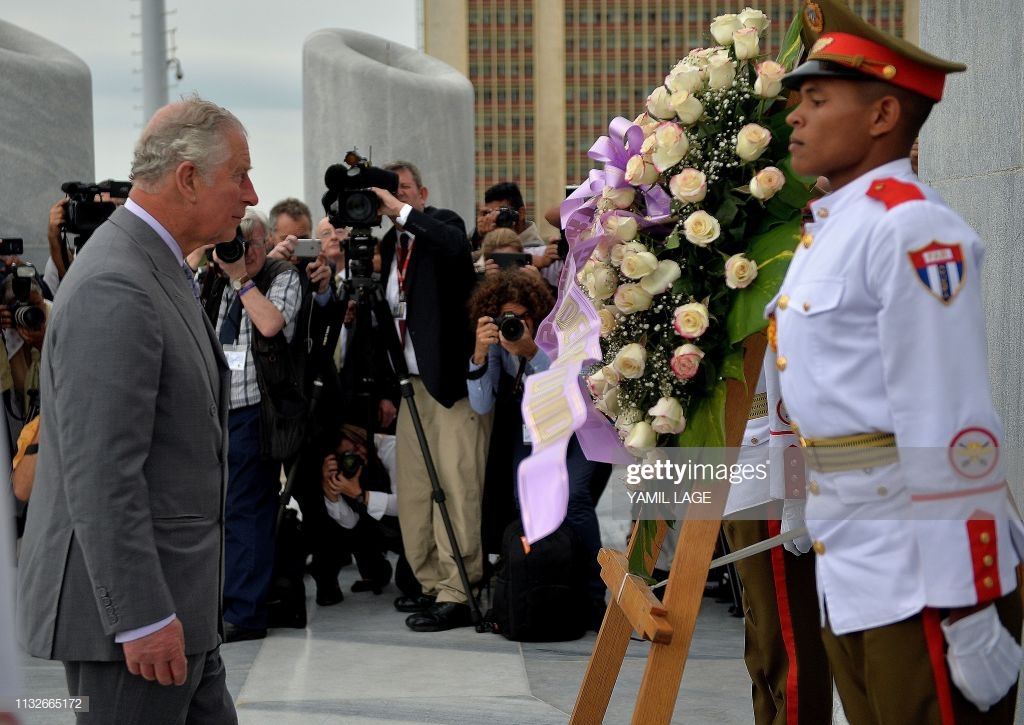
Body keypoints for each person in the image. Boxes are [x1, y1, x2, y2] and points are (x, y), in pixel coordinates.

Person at [769, 0, 1023, 721]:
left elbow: (955, 428)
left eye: (817, 100)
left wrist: (968, 606)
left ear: (883, 117)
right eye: (797, 100)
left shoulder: (911, 229)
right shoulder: (832, 231)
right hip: (852, 561)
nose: (796, 116)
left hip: (923, 577)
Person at [17, 94, 250, 724]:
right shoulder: (118, 283)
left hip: (181, 613)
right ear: (188, 177)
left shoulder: (154, 266)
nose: (250, 195)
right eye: (240, 175)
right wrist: (143, 616)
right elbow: (101, 474)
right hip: (131, 631)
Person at [369, 160, 490, 632]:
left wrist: (400, 211)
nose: (389, 199)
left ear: (420, 192)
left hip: (450, 385)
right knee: (417, 491)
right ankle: (430, 581)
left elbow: (454, 246)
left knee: (457, 486)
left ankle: (460, 588)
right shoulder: (386, 245)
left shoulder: (441, 225)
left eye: (399, 190)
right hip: (410, 386)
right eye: (384, 193)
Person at [467, 271, 608, 620]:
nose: (514, 323)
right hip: (534, 431)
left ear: (538, 314)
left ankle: (593, 594)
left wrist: (531, 351)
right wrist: (480, 354)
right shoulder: (500, 344)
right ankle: (547, 586)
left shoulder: (561, 332)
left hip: (578, 430)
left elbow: (576, 390)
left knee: (574, 497)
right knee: (526, 501)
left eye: (521, 316)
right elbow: (482, 405)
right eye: (505, 317)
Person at [200, 208, 303, 642]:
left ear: (266, 242)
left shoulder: (281, 276)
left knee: (247, 511)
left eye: (252, 244)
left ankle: (246, 613)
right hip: (213, 411)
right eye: (236, 244)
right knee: (217, 512)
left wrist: (242, 278)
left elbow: (270, 324)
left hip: (253, 412)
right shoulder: (216, 276)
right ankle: (220, 601)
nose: (243, 252)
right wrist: (204, 260)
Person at [721, 355, 832, 725]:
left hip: (768, 478)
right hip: (736, 464)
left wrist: (794, 495)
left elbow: (786, 385)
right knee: (763, 650)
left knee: (788, 650)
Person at [319, 423, 419, 597]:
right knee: (352, 529)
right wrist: (330, 490)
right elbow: (349, 524)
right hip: (376, 528)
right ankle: (376, 571)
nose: (358, 454)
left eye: (358, 446)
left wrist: (361, 495)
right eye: (348, 456)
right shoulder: (344, 470)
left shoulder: (392, 448)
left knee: (409, 584)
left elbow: (407, 506)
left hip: (410, 528)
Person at [473, 181, 561, 287]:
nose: (496, 218)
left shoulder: (544, 251)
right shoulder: (480, 244)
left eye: (502, 213)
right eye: (490, 213)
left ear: (521, 213)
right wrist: (480, 237)